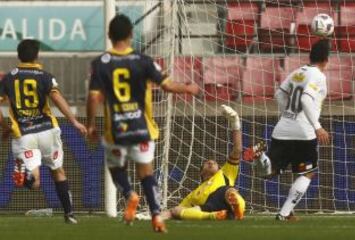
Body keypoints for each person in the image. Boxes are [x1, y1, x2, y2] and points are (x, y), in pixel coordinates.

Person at [86, 14, 199, 233]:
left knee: (116, 168)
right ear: (131, 35)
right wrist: (188, 88)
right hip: (141, 127)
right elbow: (167, 86)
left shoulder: (101, 63)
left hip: (116, 130)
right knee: (146, 173)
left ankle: (129, 195)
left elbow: (93, 98)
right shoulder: (144, 61)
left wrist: (90, 125)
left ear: (109, 36)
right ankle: (156, 215)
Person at [0, 39, 87, 224]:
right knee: (58, 171)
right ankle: (69, 214)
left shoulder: (8, 78)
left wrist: (6, 127)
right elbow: (56, 97)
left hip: (24, 133)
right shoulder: (45, 76)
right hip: (47, 130)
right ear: (37, 55)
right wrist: (74, 121)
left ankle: (26, 173)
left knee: (36, 183)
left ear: (18, 56)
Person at [243, 39, 331, 221]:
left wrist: (287, 115)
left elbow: (279, 93)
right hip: (304, 133)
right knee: (307, 172)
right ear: (326, 60)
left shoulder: (298, 72)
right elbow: (306, 99)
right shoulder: (319, 76)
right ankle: (284, 213)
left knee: (270, 171)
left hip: (282, 128)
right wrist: (318, 127)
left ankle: (262, 157)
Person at [166, 105, 245, 221]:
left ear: (219, 168)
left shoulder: (224, 173)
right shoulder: (193, 194)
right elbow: (174, 211)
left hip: (225, 197)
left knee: (230, 192)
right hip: (207, 207)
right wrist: (150, 216)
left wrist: (235, 122)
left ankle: (238, 210)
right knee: (175, 210)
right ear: (201, 172)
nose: (210, 162)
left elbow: (237, 149)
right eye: (207, 162)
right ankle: (214, 216)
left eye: (214, 162)